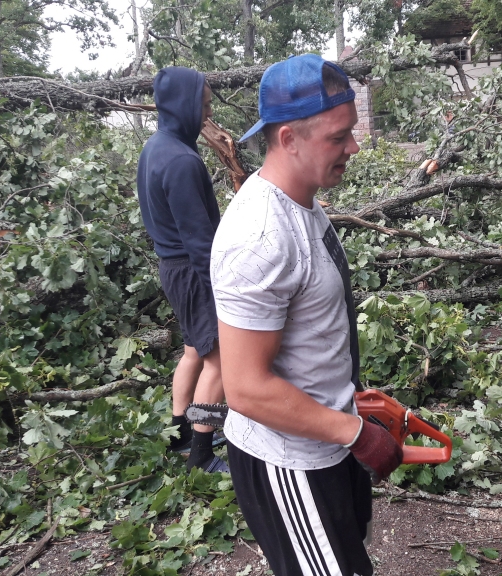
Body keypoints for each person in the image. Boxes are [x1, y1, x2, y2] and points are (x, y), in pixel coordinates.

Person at [211, 54, 403, 576]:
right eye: (339, 137)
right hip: (291, 464)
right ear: (289, 138)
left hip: (328, 440)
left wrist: (349, 400)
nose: (354, 148)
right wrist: (356, 433)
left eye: (353, 133)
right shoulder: (259, 238)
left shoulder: (303, 201)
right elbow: (246, 388)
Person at [136, 66, 229, 474]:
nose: (207, 114)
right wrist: (224, 286)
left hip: (172, 268)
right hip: (193, 270)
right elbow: (200, 241)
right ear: (183, 106)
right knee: (220, 359)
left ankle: (182, 432)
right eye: (204, 105)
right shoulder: (180, 162)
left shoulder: (156, 146)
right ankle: (202, 456)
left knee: (194, 349)